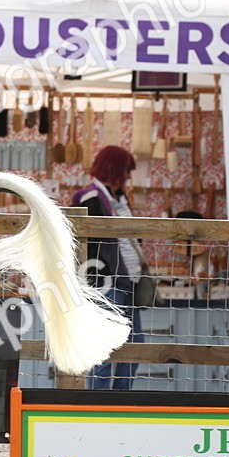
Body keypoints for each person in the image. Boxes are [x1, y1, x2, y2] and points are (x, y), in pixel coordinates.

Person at [72, 145, 146, 390]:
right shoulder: (90, 198)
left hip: (128, 282)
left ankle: (120, 400)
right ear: (114, 169)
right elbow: (87, 244)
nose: (128, 176)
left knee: (134, 347)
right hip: (105, 284)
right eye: (126, 170)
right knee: (104, 350)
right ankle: (99, 404)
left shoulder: (121, 198)